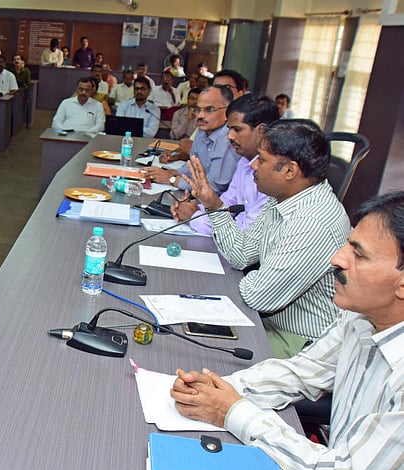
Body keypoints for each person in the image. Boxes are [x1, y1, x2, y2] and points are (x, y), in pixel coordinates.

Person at [170, 190, 404, 470]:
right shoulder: (362, 315)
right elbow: (302, 371)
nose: (337, 258)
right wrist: (219, 389)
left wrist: (232, 411)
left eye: (358, 254)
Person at [210, 119, 350, 355]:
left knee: (208, 355)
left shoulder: (312, 221)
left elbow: (259, 296)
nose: (253, 165)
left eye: (262, 159)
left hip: (300, 341)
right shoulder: (283, 197)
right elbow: (242, 254)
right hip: (268, 321)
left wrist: (259, 280)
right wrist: (214, 206)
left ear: (290, 171)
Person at [171, 93, 276, 235]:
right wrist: (193, 209)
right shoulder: (245, 160)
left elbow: (245, 235)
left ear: (260, 131)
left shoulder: (273, 173)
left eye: (237, 129)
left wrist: (194, 217)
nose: (229, 136)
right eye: (229, 129)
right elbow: (228, 203)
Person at [143, 85, 241, 194]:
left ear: (228, 112)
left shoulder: (229, 139)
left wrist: (172, 179)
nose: (200, 115)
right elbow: (192, 166)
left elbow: (214, 187)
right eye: (197, 109)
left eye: (209, 109)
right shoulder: (202, 131)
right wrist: (172, 172)